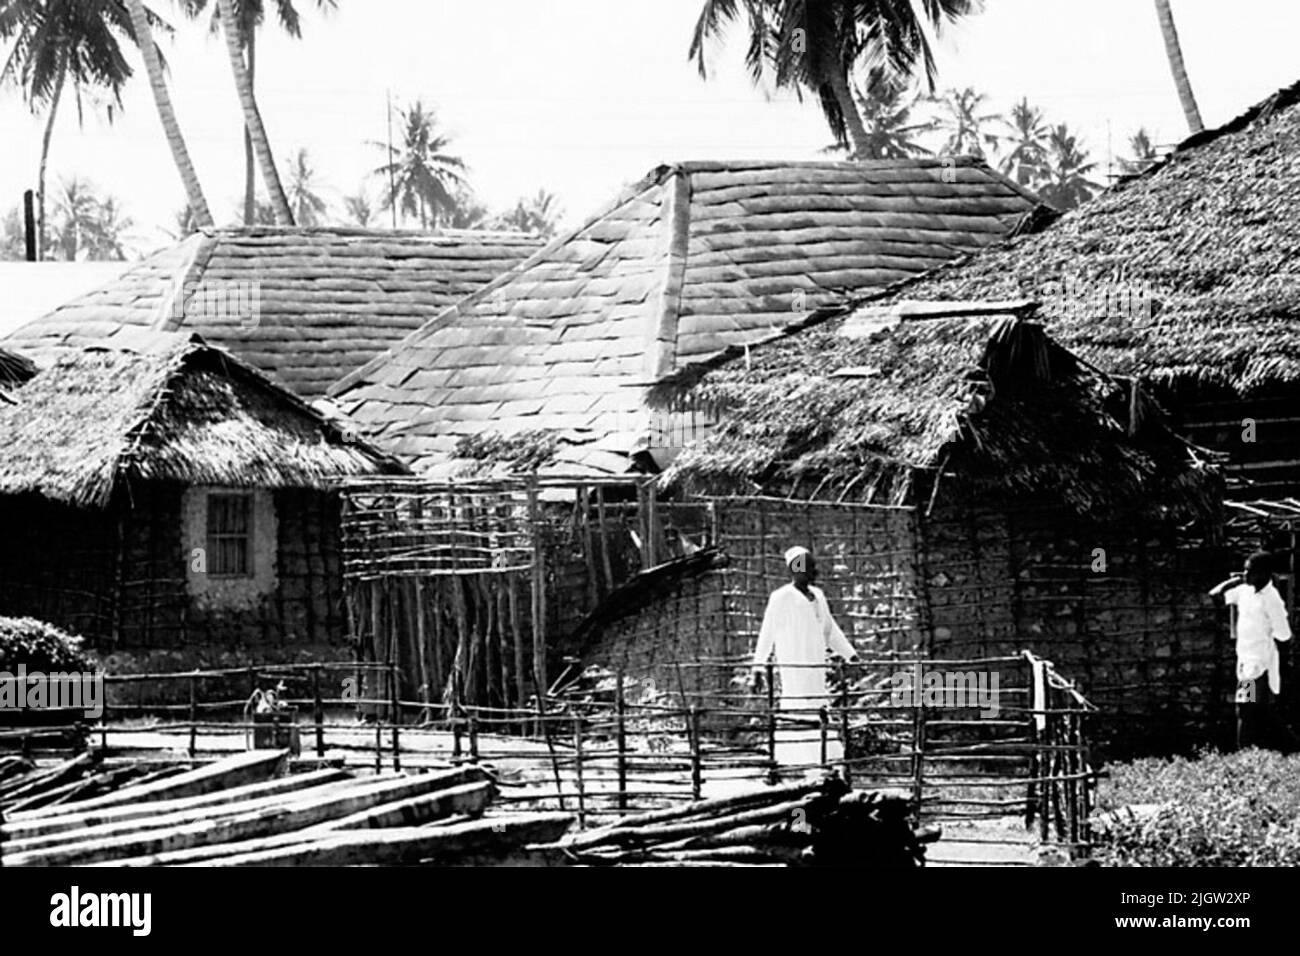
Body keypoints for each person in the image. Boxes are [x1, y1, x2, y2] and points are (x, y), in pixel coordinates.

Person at [752, 546, 859, 769]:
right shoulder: (781, 598)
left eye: (813, 566)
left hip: (816, 665)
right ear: (795, 568)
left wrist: (850, 655)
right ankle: (795, 761)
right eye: (808, 566)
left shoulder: (818, 596)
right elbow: (767, 633)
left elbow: (830, 631)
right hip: (794, 664)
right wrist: (758, 668)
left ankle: (825, 759)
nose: (814, 571)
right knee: (798, 707)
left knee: (819, 707)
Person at [1209, 551, 1295, 752]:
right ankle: (1291, 747)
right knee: (1260, 710)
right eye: (1245, 570)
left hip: (1259, 665)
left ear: (1264, 573)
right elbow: (1215, 596)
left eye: (1250, 571)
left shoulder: (1272, 600)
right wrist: (1234, 581)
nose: (1246, 574)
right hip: (1245, 661)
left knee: (1245, 709)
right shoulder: (1244, 591)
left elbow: (1284, 634)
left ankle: (1244, 753)